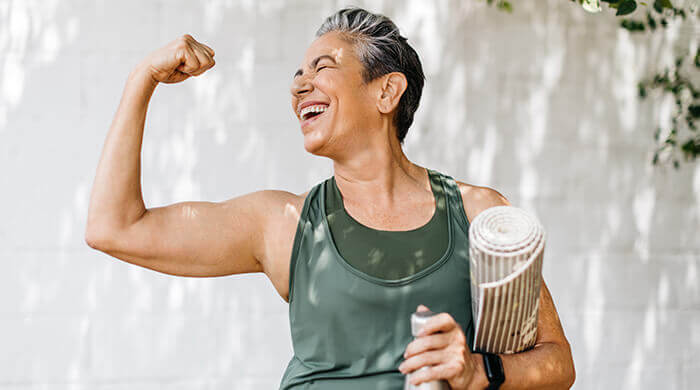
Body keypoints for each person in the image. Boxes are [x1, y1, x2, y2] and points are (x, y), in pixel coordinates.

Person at [85, 6, 575, 390]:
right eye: (298, 74)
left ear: (387, 92)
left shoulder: (479, 213)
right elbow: (113, 228)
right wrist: (141, 80)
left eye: (322, 66)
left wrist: (478, 371)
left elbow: (557, 363)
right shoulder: (284, 222)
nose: (300, 84)